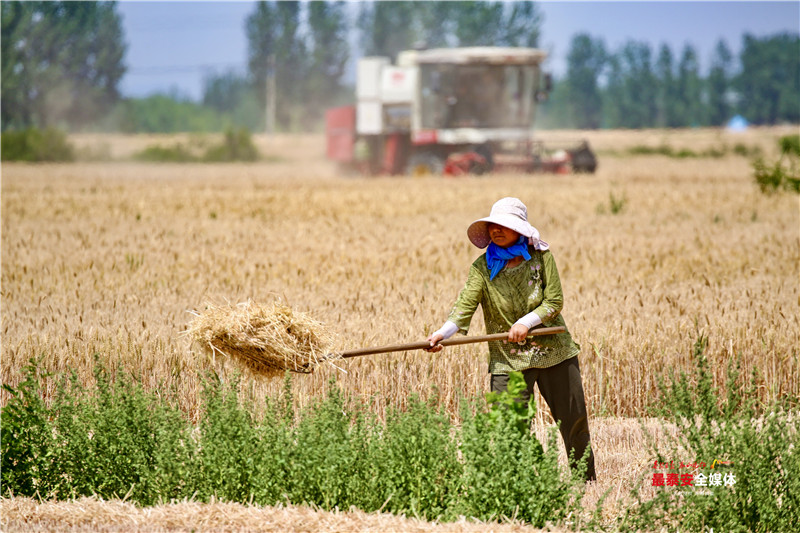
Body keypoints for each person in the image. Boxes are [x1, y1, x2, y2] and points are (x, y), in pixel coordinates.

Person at [425, 197, 596, 481]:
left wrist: (525, 323)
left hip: (553, 351)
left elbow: (554, 301)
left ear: (520, 230)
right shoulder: (482, 268)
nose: (496, 230)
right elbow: (464, 306)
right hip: (508, 358)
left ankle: (586, 483)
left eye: (504, 225)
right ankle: (533, 482)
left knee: (574, 420)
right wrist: (442, 333)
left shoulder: (541, 259)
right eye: (493, 225)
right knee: (508, 426)